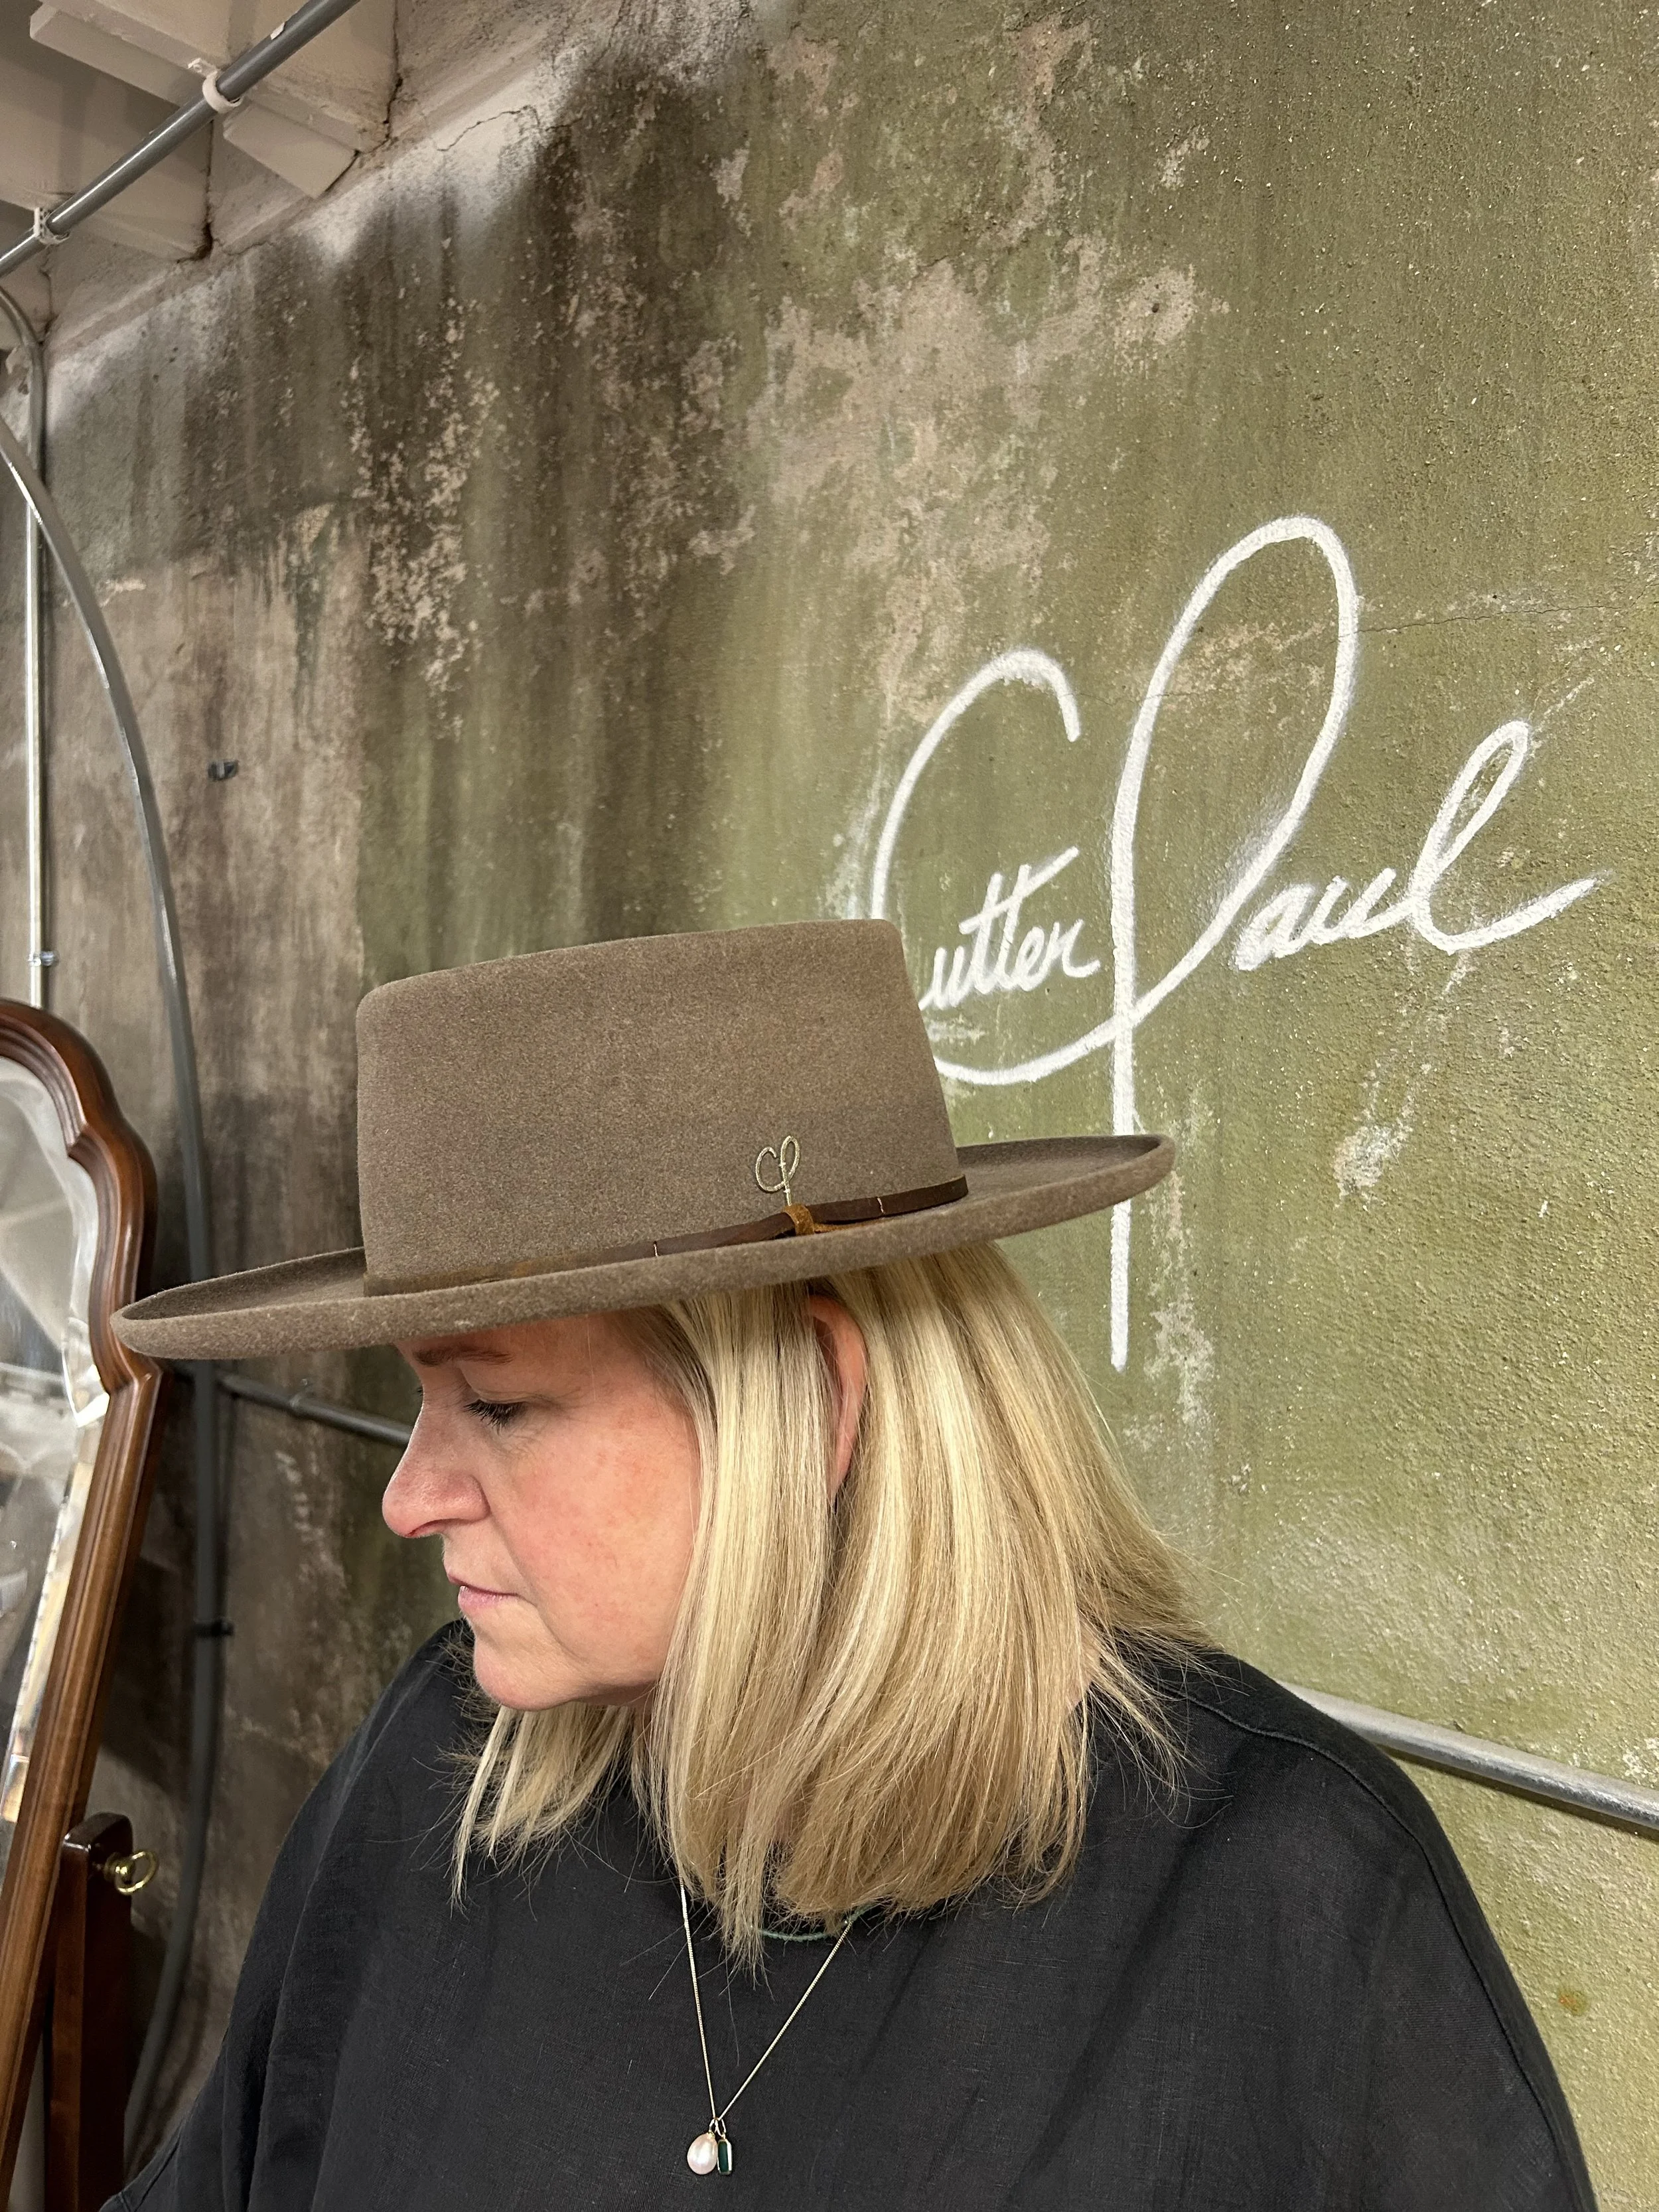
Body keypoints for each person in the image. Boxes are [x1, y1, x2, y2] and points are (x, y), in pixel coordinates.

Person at [111, 921, 1595, 2210]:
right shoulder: (446, 1769)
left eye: (497, 1404)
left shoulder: (1278, 1897)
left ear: (811, 1403)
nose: (412, 1497)